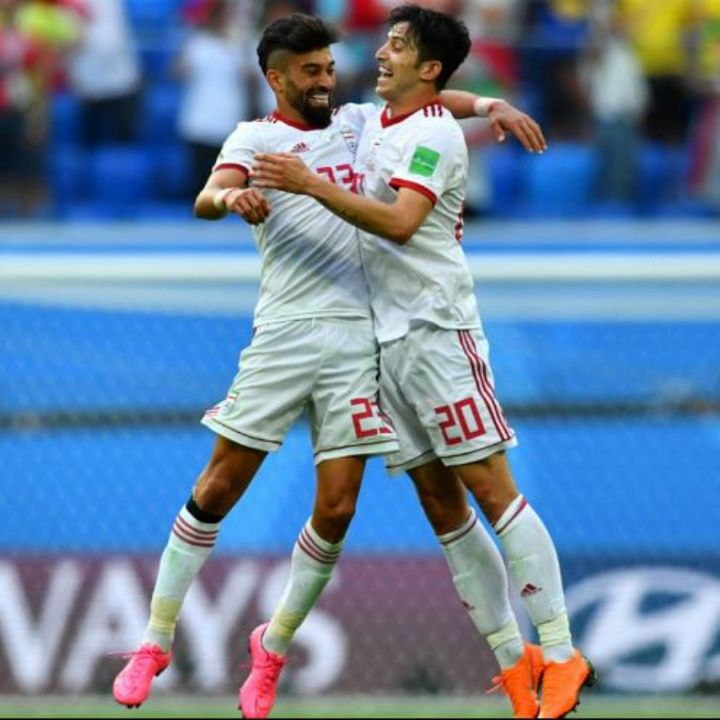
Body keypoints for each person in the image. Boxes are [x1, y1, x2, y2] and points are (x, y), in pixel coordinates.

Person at [109, 11, 538, 717]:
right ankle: (154, 640)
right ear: (276, 78)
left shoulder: (359, 123)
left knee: (337, 508)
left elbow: (435, 100)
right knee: (218, 486)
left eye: (329, 68)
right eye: (310, 71)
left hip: (358, 345)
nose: (325, 81)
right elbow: (207, 196)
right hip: (284, 335)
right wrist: (232, 196)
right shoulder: (255, 138)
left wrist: (489, 104)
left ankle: (272, 646)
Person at [251, 5, 594, 719]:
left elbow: (403, 223)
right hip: (388, 342)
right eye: (386, 41)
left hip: (437, 333)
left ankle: (562, 653)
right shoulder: (382, 119)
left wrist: (312, 184)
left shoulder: (435, 136)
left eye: (399, 46)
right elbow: (449, 100)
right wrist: (490, 103)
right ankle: (514, 661)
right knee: (442, 506)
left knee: (493, 492)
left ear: (427, 67)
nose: (381, 53)